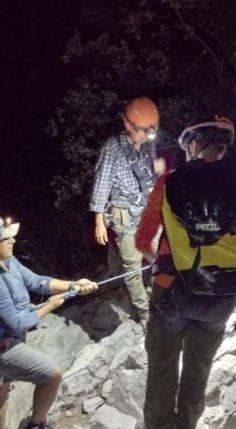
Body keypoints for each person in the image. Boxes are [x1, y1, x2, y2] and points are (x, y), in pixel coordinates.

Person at [134, 114, 236, 429]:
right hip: (222, 294)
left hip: (172, 288)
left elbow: (142, 240)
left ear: (194, 144)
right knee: (198, 366)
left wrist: (159, 259)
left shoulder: (170, 181)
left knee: (162, 363)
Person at [0, 219, 98, 429]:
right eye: (6, 238)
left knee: (2, 391)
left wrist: (73, 285)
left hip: (8, 340)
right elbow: (15, 323)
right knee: (52, 374)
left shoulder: (8, 261)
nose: (13, 240)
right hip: (4, 345)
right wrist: (49, 307)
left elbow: (37, 282)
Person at [89, 96, 165, 325]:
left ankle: (163, 293)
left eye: (152, 130)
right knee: (131, 265)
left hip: (149, 207)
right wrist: (99, 221)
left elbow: (148, 174)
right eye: (144, 131)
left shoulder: (149, 143)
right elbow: (101, 183)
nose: (147, 136)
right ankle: (144, 312)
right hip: (126, 214)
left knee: (163, 253)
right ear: (128, 125)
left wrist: (157, 169)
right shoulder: (112, 149)